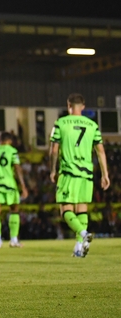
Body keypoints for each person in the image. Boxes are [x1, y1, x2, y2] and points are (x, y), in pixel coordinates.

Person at [49, 93, 110, 257]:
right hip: (87, 174)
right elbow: (101, 151)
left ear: (68, 105)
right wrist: (105, 174)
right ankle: (79, 248)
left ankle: (83, 234)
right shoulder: (93, 125)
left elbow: (54, 150)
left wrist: (53, 169)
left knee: (65, 210)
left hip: (69, 172)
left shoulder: (60, 123)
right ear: (83, 107)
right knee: (82, 210)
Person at [0, 131, 29, 248]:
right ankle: (13, 240)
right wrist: (23, 186)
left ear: (0, 140)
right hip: (9, 185)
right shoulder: (12, 151)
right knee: (14, 210)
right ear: (10, 141)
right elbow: (17, 168)